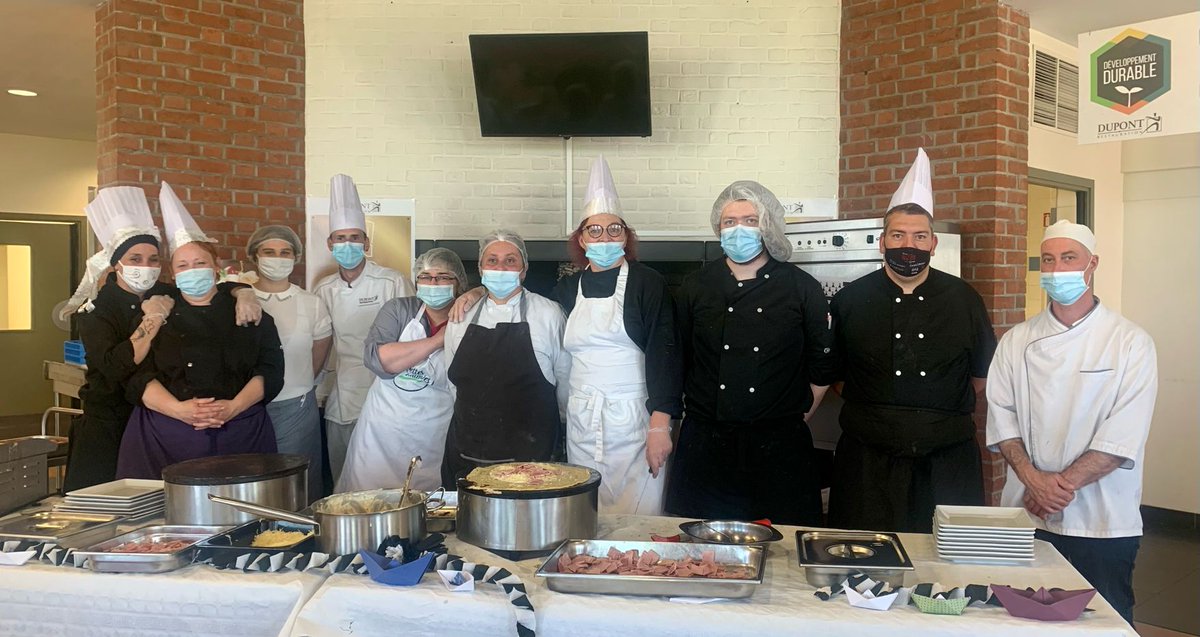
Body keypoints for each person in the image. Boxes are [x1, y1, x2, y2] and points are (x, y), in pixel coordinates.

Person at [986, 220, 1157, 625]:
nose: (1056, 268)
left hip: (1101, 520)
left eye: (1068, 258)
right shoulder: (1017, 340)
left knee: (1103, 622)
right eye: (1048, 260)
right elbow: (1001, 416)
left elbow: (1122, 435)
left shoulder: (1129, 342)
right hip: (1026, 516)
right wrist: (1033, 481)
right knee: (1017, 622)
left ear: (1092, 263)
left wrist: (1053, 489)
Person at [826, 148, 997, 533]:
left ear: (934, 244)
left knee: (945, 561)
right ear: (881, 241)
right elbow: (835, 376)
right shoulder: (850, 300)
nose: (910, 245)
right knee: (862, 554)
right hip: (866, 458)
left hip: (946, 460)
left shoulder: (964, 299)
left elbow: (980, 376)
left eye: (920, 236)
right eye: (898, 235)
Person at [60, 186, 261, 491]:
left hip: (154, 423)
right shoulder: (97, 311)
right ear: (116, 264)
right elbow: (116, 368)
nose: (146, 267)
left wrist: (243, 291)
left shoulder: (165, 291)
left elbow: (210, 289)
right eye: (135, 258)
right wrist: (152, 319)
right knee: (101, 509)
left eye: (153, 259)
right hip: (108, 424)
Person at [665, 181, 836, 525]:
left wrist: (799, 412)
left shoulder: (801, 286)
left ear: (767, 224)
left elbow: (823, 364)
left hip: (779, 444)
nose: (738, 229)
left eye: (749, 219)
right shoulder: (696, 285)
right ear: (718, 228)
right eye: (729, 222)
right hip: (706, 442)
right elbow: (677, 358)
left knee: (784, 543)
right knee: (704, 547)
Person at [116, 183, 284, 479]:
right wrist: (179, 410)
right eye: (183, 265)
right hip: (165, 434)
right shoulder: (155, 313)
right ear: (173, 273)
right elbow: (136, 375)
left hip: (241, 431)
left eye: (200, 263)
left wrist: (233, 407)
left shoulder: (249, 311)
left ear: (216, 266)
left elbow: (270, 369)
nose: (191, 270)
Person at [555, 157, 681, 514]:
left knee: (638, 512)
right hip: (582, 417)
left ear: (626, 237)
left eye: (614, 230)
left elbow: (665, 353)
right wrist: (471, 294)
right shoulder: (567, 288)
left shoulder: (647, 283)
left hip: (634, 418)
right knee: (585, 509)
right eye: (595, 230)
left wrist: (660, 427)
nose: (605, 237)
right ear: (581, 238)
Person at [440, 229, 570, 487]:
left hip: (533, 456)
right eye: (492, 260)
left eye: (510, 260)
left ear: (523, 270)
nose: (501, 267)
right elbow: (453, 384)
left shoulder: (548, 314)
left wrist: (562, 431)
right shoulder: (461, 316)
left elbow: (565, 381)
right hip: (468, 451)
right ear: (481, 268)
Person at [338, 248, 467, 493]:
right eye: (425, 277)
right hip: (381, 432)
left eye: (442, 277)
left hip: (434, 434)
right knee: (367, 507)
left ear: (458, 283)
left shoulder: (468, 316)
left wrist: (478, 293)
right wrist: (437, 341)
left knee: (428, 509)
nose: (433, 283)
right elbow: (380, 360)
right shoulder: (398, 310)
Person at [312, 174, 414, 483]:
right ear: (330, 244)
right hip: (340, 398)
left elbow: (411, 338)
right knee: (345, 479)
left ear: (366, 242)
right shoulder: (323, 288)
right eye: (340, 239)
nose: (347, 245)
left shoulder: (392, 281)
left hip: (385, 393)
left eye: (354, 237)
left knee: (386, 479)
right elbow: (320, 343)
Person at [247, 225, 333, 501]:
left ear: (296, 257)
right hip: (246, 408)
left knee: (299, 484)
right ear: (254, 257)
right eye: (268, 252)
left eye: (285, 252)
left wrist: (298, 383)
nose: (277, 258)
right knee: (253, 482)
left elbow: (318, 355)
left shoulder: (311, 303)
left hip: (295, 406)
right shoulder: (239, 298)